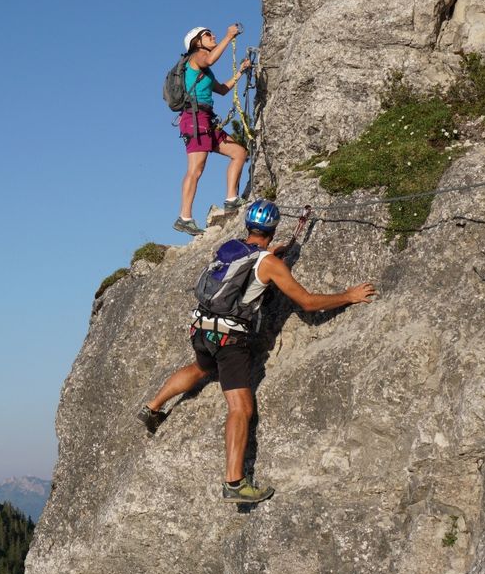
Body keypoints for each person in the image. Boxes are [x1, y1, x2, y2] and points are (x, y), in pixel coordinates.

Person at [138, 200, 377, 504]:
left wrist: (271, 255)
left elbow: (250, 268)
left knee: (201, 368)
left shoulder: (231, 248)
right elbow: (307, 302)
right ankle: (234, 482)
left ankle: (153, 406)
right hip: (230, 340)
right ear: (272, 229)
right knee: (241, 408)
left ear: (248, 227)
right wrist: (348, 296)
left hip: (201, 328)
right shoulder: (270, 264)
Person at [173, 24, 252, 236]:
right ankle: (184, 217)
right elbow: (209, 58)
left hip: (205, 120)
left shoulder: (205, 70)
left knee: (239, 153)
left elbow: (222, 90)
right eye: (207, 34)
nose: (212, 35)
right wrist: (228, 36)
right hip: (195, 119)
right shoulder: (198, 56)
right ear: (197, 42)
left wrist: (241, 72)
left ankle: (231, 199)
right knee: (196, 169)